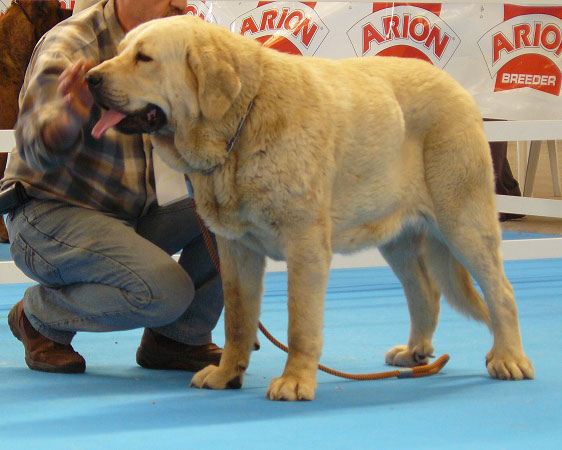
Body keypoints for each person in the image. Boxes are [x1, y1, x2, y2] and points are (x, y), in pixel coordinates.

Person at [2, 0, 224, 374]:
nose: (181, 4)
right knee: (165, 292)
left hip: (127, 215)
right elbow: (30, 148)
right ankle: (38, 317)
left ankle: (177, 339)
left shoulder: (176, 48)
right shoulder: (72, 44)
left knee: (234, 206)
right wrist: (66, 122)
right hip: (46, 216)